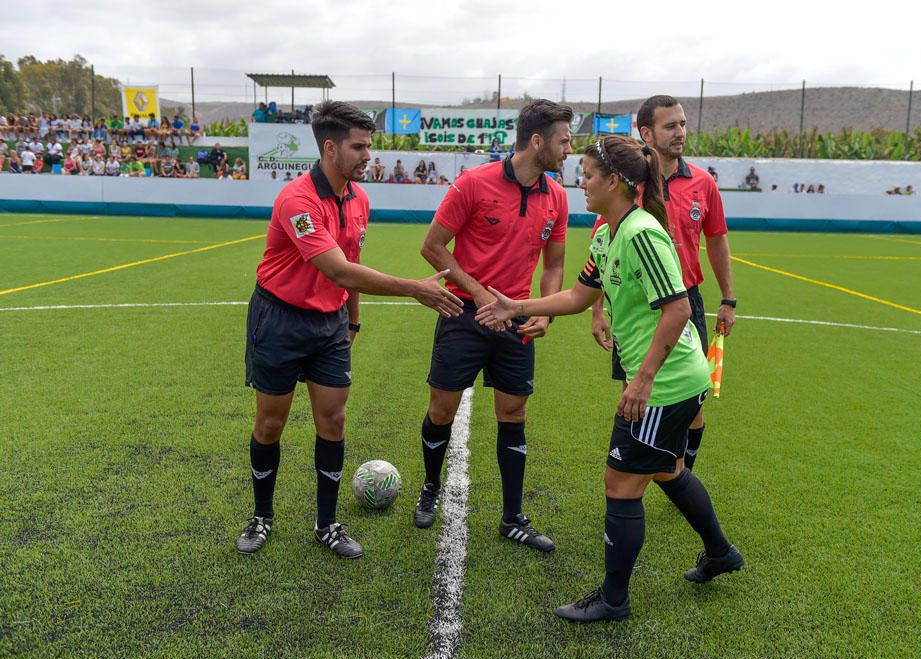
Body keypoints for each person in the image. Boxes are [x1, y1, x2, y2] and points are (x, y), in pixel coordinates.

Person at [476, 136, 743, 622]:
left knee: (620, 484)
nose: (581, 182)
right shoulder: (606, 233)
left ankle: (614, 599)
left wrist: (641, 381)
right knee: (666, 470)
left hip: (666, 385)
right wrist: (519, 306)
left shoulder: (643, 232)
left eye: (589, 174)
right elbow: (579, 297)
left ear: (615, 181)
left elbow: (679, 309)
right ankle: (721, 553)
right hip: (670, 382)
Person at [236, 101, 463, 560]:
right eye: (359, 147)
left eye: (369, 146)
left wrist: (352, 318)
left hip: (331, 324)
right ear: (330, 147)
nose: (367, 155)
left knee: (333, 421)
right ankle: (262, 517)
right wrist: (414, 288)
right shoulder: (297, 201)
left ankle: (326, 524)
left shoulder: (359, 198)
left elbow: (351, 263)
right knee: (271, 423)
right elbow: (338, 269)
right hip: (279, 319)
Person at [413, 99, 573, 552]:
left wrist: (543, 309)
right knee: (441, 410)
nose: (569, 149)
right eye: (563, 140)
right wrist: (480, 293)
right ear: (537, 141)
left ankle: (512, 517)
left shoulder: (557, 197)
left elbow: (554, 265)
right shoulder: (473, 183)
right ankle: (430, 487)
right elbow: (433, 247)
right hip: (462, 315)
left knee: (513, 414)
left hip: (515, 320)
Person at [592, 94, 735, 472]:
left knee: (693, 405)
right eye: (670, 126)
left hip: (683, 301)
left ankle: (680, 472)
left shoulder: (703, 183)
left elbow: (717, 239)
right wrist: (598, 310)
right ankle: (635, 467)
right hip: (635, 303)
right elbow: (601, 250)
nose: (680, 132)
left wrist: (728, 299)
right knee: (632, 393)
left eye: (683, 124)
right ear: (645, 132)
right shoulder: (625, 183)